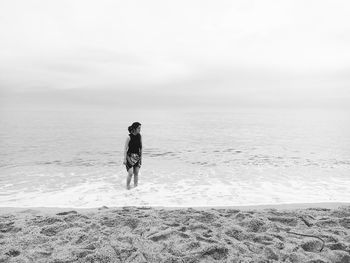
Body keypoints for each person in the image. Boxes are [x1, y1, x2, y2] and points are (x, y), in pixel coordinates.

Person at [123, 122, 142, 190]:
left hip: (137, 157)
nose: (140, 129)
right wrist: (124, 159)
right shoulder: (129, 137)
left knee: (136, 173)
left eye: (140, 128)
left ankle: (135, 188)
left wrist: (141, 159)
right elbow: (125, 149)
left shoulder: (139, 136)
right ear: (134, 129)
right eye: (138, 128)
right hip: (129, 157)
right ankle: (127, 187)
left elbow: (141, 148)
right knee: (130, 173)